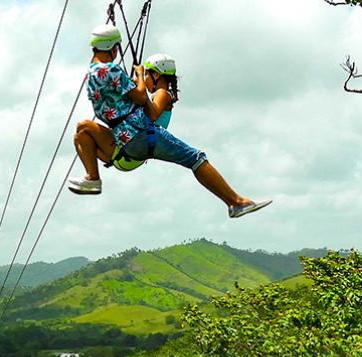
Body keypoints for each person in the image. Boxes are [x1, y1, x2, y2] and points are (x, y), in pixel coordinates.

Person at [69, 24, 271, 219]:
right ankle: (235, 203)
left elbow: (152, 114)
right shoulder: (158, 93)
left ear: (156, 75)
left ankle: (236, 202)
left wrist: (138, 85)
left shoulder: (162, 93)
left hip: (147, 136)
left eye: (147, 75)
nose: (145, 78)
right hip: (137, 141)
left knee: (196, 157)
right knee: (82, 133)